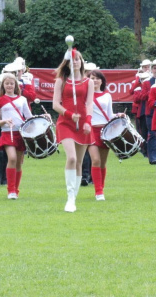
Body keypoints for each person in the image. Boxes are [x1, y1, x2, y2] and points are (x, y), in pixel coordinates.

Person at [53, 48, 94, 212]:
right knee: (71, 158)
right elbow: (56, 104)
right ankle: (70, 197)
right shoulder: (61, 81)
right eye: (72, 59)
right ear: (67, 63)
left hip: (83, 123)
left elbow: (89, 103)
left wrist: (88, 121)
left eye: (78, 59)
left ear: (81, 61)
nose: (75, 61)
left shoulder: (88, 82)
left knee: (79, 161)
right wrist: (69, 114)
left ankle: (74, 198)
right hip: (66, 122)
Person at [0, 73, 33, 199]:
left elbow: (29, 117)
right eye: (7, 84)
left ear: (16, 85)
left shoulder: (22, 100)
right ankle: (10, 190)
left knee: (19, 163)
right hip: (7, 133)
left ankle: (16, 190)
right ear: (3, 86)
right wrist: (5, 121)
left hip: (20, 134)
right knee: (12, 158)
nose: (9, 86)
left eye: (11, 83)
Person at [88, 70, 116, 200]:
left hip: (105, 131)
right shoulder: (85, 96)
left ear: (102, 80)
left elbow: (110, 114)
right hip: (91, 130)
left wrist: (118, 116)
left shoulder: (107, 96)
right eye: (92, 78)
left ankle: (101, 188)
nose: (95, 80)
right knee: (96, 160)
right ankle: (98, 191)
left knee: (103, 163)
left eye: (97, 78)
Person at [142, 59, 156, 164]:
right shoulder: (146, 82)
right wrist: (152, 91)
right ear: (151, 69)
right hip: (150, 112)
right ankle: (153, 157)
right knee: (152, 134)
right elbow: (142, 96)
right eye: (154, 68)